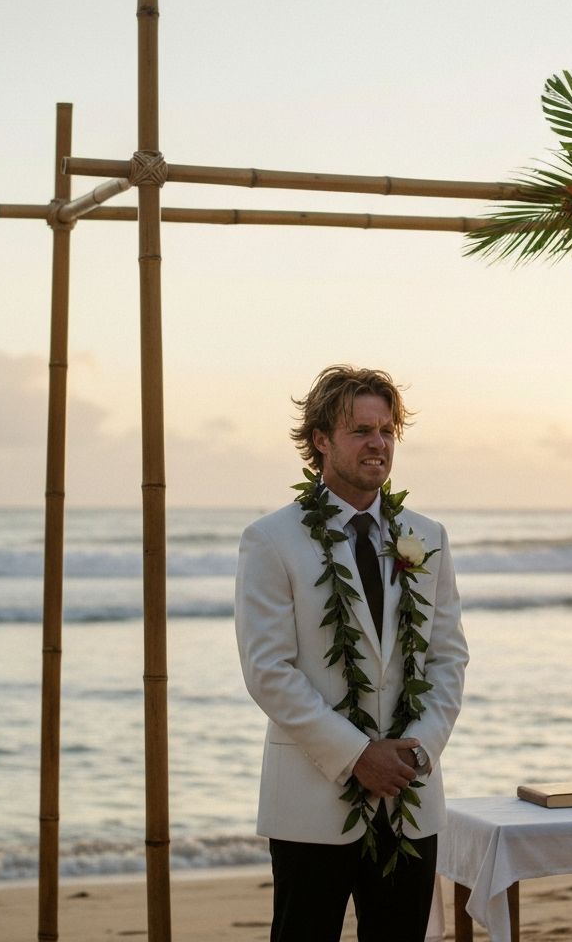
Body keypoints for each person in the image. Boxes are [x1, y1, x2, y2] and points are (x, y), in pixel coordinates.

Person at [235, 365, 469, 942]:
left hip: (409, 798)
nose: (378, 444)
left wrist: (418, 752)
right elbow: (269, 671)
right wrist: (358, 754)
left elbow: (448, 657)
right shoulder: (272, 540)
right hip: (313, 801)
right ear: (320, 440)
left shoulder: (427, 536)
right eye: (361, 430)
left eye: (387, 431)